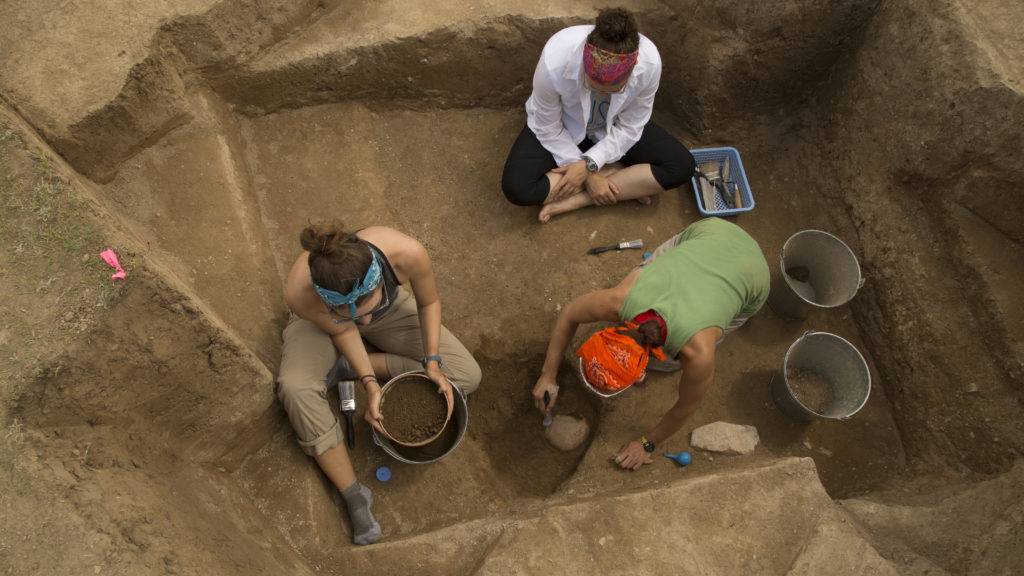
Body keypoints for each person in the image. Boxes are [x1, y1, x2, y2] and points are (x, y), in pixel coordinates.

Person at [276, 221, 482, 545]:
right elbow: (344, 330)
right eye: (355, 314)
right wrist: (371, 386)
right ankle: (354, 495)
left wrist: (431, 361)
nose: (365, 322)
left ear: (378, 278)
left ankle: (345, 366)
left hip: (388, 314)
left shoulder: (405, 253)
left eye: (367, 308)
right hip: (326, 326)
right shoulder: (300, 293)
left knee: (466, 376)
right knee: (295, 388)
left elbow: (428, 303)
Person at [531, 218, 769, 470]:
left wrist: (647, 443)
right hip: (712, 232)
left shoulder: (698, 353)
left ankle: (736, 305)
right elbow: (569, 314)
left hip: (753, 275)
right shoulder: (618, 299)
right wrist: (548, 374)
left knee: (668, 365)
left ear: (640, 373)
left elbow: (687, 406)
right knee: (644, 280)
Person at [501, 7, 696, 223]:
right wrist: (590, 174)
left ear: (631, 72)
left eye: (613, 89)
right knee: (517, 187)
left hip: (611, 128)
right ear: (585, 63)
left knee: (681, 165)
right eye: (593, 85)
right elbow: (547, 127)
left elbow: (630, 126)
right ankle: (621, 177)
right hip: (564, 128)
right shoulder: (554, 59)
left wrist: (587, 169)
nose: (602, 93)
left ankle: (579, 200)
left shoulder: (649, 64)